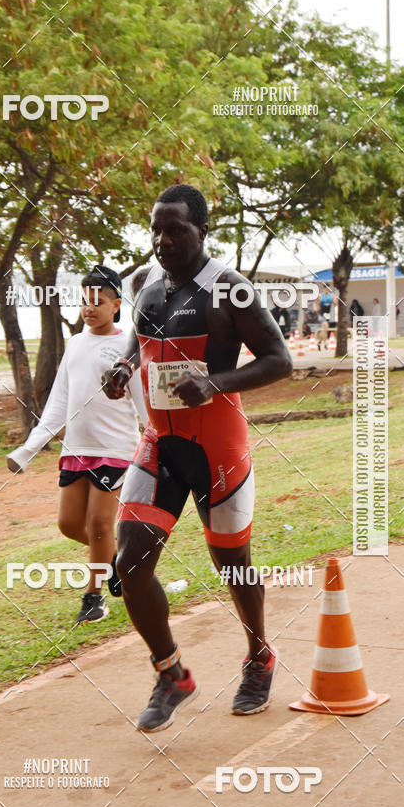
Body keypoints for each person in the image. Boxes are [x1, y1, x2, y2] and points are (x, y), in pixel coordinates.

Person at [101, 184, 292, 732]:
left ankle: (259, 658)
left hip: (217, 448)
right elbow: (137, 343)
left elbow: (279, 361)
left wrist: (216, 383)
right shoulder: (144, 285)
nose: (162, 240)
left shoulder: (228, 290)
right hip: (160, 442)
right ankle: (171, 673)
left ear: (202, 230)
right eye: (156, 229)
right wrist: (122, 367)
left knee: (232, 564)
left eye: (175, 229)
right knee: (130, 565)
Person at [6, 266, 147, 624]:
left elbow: (142, 401)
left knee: (100, 524)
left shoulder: (126, 347)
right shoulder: (75, 345)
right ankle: (117, 560)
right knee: (69, 525)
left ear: (116, 305)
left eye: (97, 302)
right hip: (76, 451)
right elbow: (58, 403)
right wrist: (28, 449)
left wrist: (156, 439)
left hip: (115, 450)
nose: (89, 308)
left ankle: (94, 598)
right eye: (84, 301)